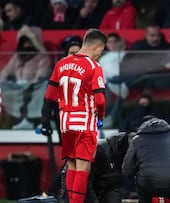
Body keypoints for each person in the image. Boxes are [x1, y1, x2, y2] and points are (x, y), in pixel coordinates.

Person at [40, 28, 107, 203]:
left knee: (71, 164)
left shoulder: (61, 63)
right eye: (102, 49)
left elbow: (49, 96)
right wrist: (100, 117)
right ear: (97, 46)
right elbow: (100, 100)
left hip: (65, 122)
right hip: (85, 121)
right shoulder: (94, 67)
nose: (101, 53)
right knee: (83, 167)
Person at [122, 116, 170, 203]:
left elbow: (126, 169)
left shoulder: (137, 140)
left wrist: (137, 174)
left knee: (142, 189)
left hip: (147, 184)